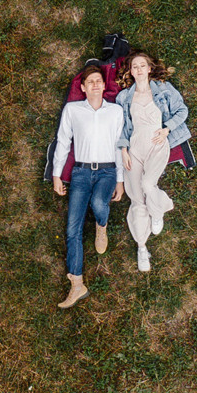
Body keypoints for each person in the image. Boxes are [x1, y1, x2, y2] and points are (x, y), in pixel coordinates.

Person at [49, 62, 126, 308]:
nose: (94, 84)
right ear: (83, 87)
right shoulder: (72, 110)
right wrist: (56, 174)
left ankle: (102, 225)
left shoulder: (115, 111)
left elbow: (120, 145)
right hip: (81, 172)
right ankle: (77, 284)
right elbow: (63, 141)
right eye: (90, 81)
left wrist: (120, 180)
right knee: (72, 229)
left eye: (98, 81)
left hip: (107, 171)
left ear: (104, 86)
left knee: (99, 202)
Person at [116, 50, 189, 272]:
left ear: (149, 69)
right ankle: (142, 247)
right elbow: (121, 127)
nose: (138, 69)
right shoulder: (123, 97)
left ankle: (158, 211)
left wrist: (167, 130)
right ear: (130, 71)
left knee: (148, 184)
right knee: (137, 198)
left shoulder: (164, 89)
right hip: (134, 148)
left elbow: (182, 111)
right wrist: (123, 149)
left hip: (157, 144)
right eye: (134, 66)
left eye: (142, 65)